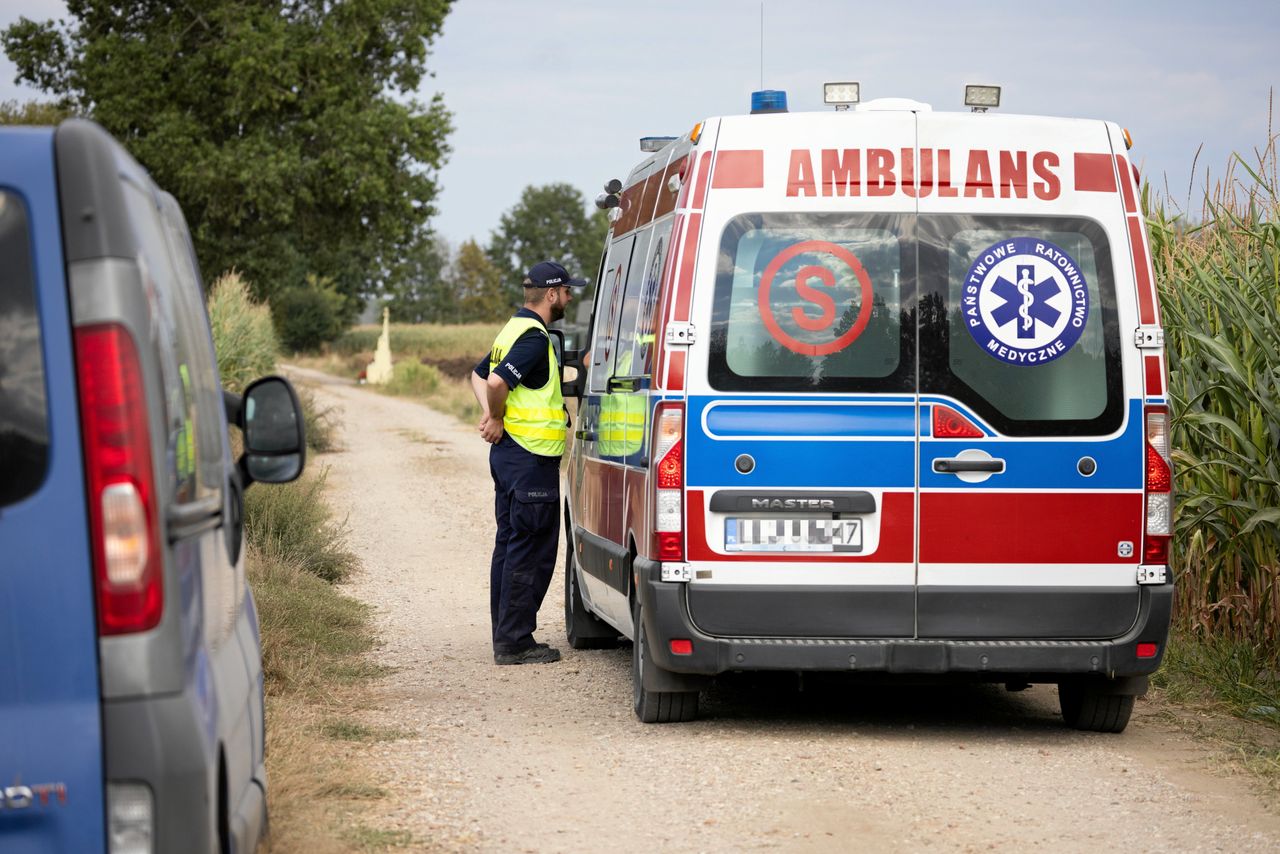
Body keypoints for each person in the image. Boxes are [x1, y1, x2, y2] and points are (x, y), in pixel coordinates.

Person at [470, 260, 585, 665]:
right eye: (567, 291)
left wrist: (491, 416)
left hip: (509, 455)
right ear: (551, 294)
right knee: (530, 549)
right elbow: (496, 381)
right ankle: (515, 642)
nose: (569, 297)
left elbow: (477, 375)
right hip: (529, 458)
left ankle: (506, 633)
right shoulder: (534, 337)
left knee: (509, 543)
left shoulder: (512, 328)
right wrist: (496, 416)